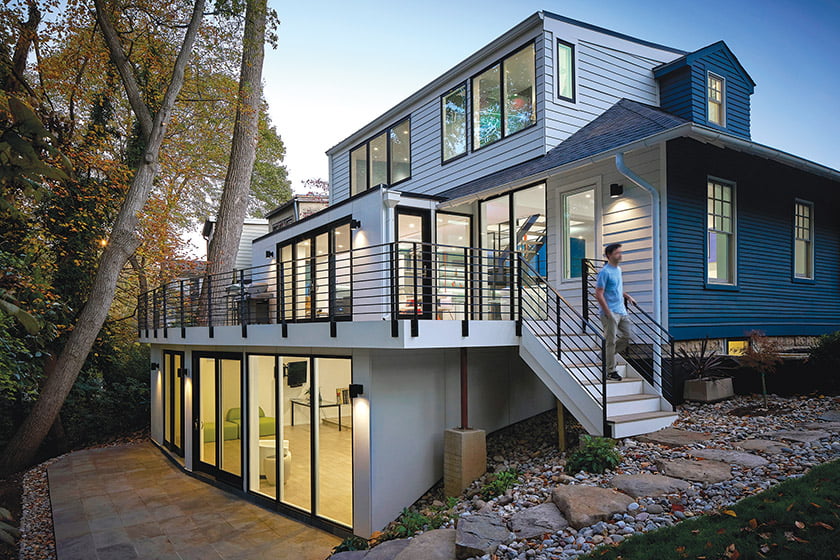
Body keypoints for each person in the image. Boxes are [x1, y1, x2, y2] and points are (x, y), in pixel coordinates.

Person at [594, 243, 636, 381]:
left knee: (629, 335)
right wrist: (608, 312)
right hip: (609, 312)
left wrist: (627, 296)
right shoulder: (604, 272)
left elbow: (616, 289)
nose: (620, 255)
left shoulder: (618, 270)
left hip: (621, 311)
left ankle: (605, 355)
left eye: (620, 252)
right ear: (609, 255)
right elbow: (599, 294)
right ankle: (611, 371)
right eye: (617, 253)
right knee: (610, 341)